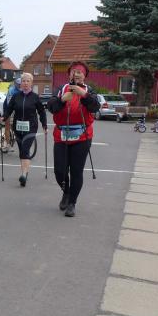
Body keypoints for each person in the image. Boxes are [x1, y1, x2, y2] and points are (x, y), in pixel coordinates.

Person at [46, 61, 100, 217]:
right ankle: (66, 192)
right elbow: (51, 107)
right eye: (73, 71)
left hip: (82, 137)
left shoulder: (89, 90)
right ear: (69, 74)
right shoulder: (61, 89)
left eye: (79, 72)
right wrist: (62, 99)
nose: (76, 74)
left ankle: (72, 203)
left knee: (76, 171)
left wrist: (84, 95)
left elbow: (95, 107)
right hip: (62, 136)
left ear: (84, 76)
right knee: (59, 171)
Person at [0, 73, 48, 187]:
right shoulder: (16, 96)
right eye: (23, 81)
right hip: (17, 127)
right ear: (20, 83)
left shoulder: (35, 97)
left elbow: (42, 112)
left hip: (31, 127)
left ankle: (23, 175)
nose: (25, 83)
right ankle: (25, 172)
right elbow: (9, 109)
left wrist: (44, 125)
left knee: (25, 149)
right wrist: (4, 117)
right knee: (22, 150)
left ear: (31, 83)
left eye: (27, 81)